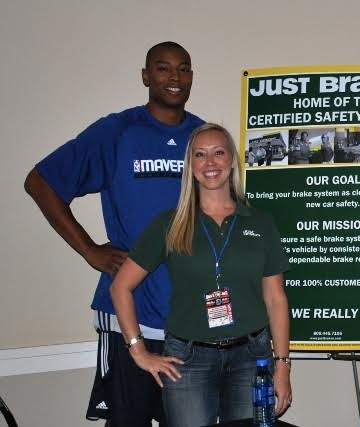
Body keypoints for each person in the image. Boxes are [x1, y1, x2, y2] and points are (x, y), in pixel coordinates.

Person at [23, 41, 204, 426]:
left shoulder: (203, 138)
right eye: (163, 68)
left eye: (183, 68)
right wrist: (89, 249)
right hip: (130, 314)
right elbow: (40, 182)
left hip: (190, 320)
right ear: (146, 76)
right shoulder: (118, 131)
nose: (175, 77)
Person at [110, 123, 292, 427]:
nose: (210, 163)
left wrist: (283, 365)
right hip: (188, 360)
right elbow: (120, 288)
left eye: (218, 152)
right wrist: (138, 350)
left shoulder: (260, 222)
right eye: (200, 154)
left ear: (231, 160)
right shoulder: (170, 224)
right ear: (190, 165)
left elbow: (276, 298)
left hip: (251, 357)